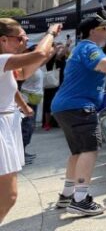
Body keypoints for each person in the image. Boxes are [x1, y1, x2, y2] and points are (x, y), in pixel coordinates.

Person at [51, 15, 106, 216]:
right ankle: (80, 199)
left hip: (65, 106)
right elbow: (104, 65)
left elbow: (101, 69)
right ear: (93, 30)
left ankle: (67, 194)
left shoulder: (82, 49)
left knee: (78, 152)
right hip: (79, 106)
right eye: (105, 29)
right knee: (90, 149)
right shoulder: (89, 47)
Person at [0, 20, 58, 223]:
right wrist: (50, 33)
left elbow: (22, 75)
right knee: (9, 195)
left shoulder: (6, 63)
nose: (24, 41)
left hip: (6, 125)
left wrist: (23, 106)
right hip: (1, 126)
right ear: (3, 39)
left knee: (7, 195)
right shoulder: (2, 59)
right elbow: (39, 55)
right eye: (21, 38)